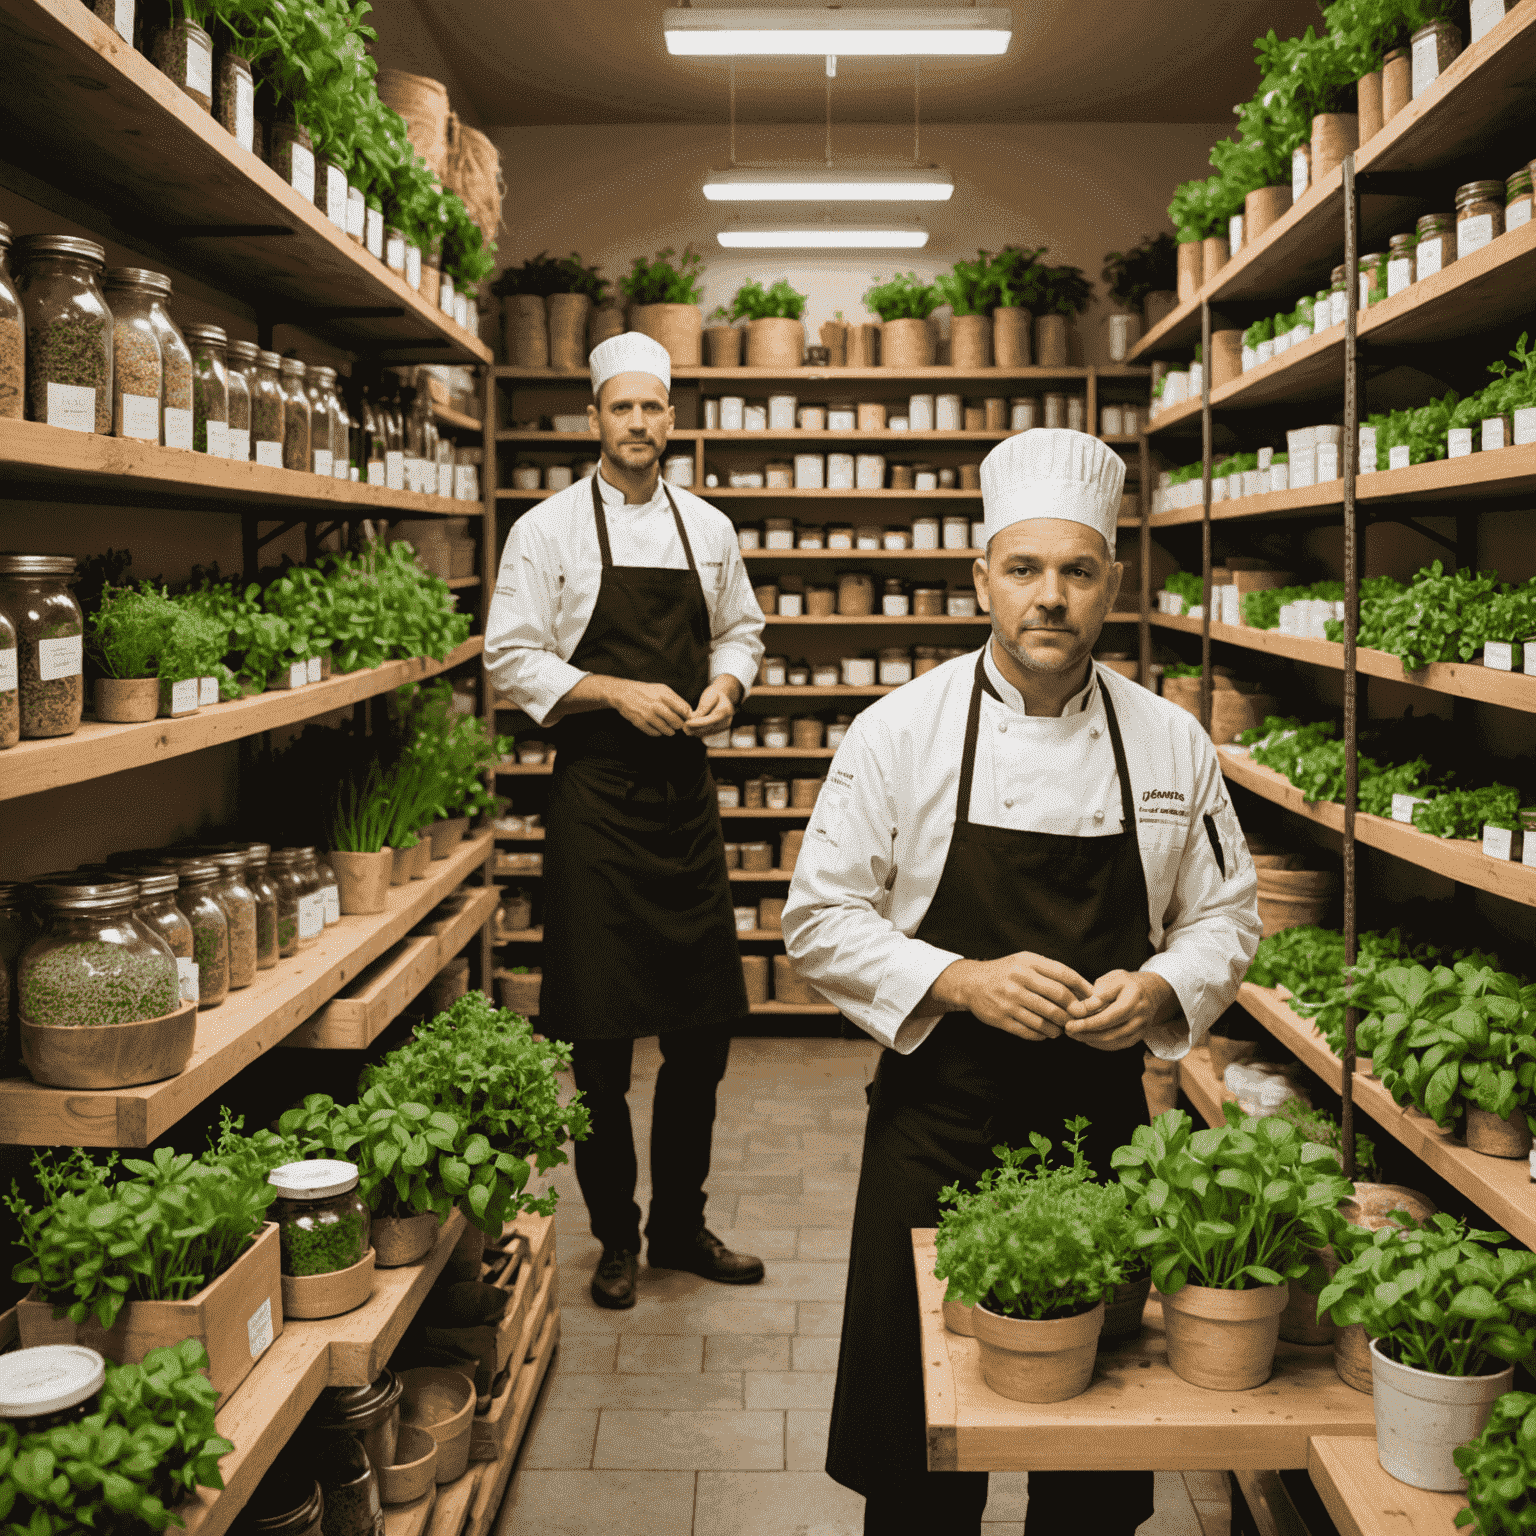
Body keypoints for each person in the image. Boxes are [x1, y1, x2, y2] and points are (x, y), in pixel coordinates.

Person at [782, 427, 1262, 1536]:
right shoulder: (898, 732)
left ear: (1111, 585)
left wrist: (1159, 992)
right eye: (1025, 569)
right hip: (935, 1128)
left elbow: (1227, 917)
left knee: (1089, 1461)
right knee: (918, 1476)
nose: (1051, 597)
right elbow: (818, 916)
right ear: (981, 578)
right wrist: (956, 979)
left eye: (1078, 571)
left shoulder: (1170, 743)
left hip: (1099, 1137)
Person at [484, 332, 767, 1309]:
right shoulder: (548, 530)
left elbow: (743, 627)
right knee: (599, 1046)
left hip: (685, 805)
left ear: (670, 419)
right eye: (622, 409)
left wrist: (727, 683)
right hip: (596, 800)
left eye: (654, 409)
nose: (639, 425)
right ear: (593, 417)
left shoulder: (708, 528)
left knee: (702, 1037)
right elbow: (510, 656)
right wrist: (611, 691)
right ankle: (616, 1237)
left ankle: (682, 1229)